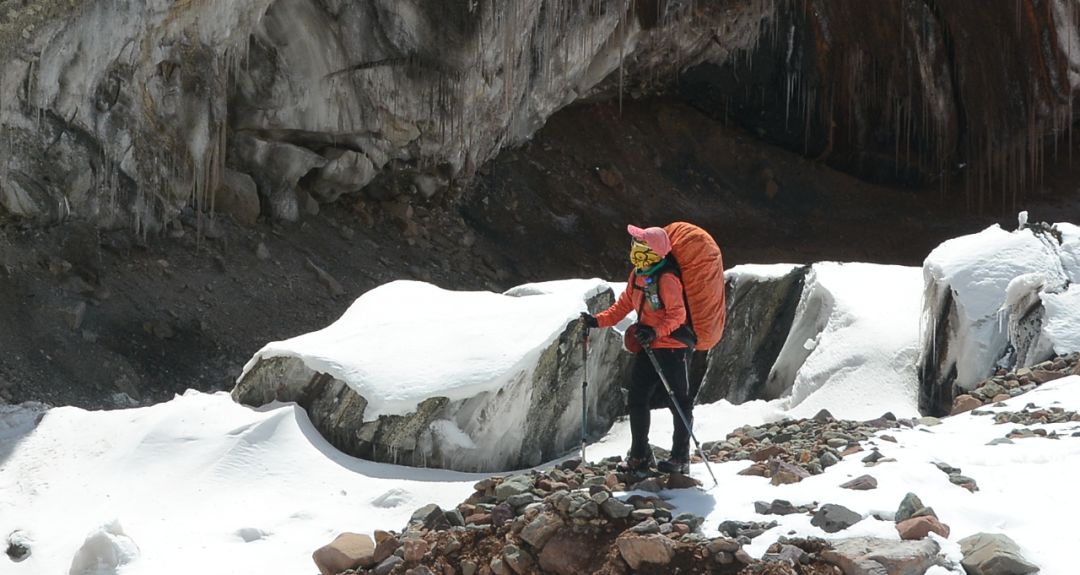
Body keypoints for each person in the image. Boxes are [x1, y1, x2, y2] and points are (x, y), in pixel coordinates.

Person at [581, 224, 694, 474]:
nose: (636, 251)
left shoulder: (667, 278)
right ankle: (640, 455)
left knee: (679, 403)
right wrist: (596, 321)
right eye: (636, 245)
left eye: (642, 246)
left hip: (673, 348)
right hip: (648, 346)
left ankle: (680, 458)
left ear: (654, 252)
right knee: (637, 399)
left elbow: (678, 314)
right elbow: (622, 306)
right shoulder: (638, 276)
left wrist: (655, 331)